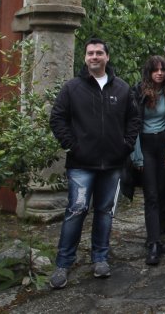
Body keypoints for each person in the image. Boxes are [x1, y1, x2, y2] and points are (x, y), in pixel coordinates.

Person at [48, 38, 142, 289]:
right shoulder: (72, 88)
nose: (94, 57)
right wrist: (72, 145)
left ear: (107, 57)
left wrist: (126, 145)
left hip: (112, 164)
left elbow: (134, 119)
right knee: (76, 212)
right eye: (90, 53)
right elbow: (57, 119)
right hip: (81, 164)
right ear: (85, 58)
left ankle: (100, 257)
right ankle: (63, 263)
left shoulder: (122, 88)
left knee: (104, 213)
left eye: (99, 53)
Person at [130, 55, 165, 266]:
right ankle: (153, 244)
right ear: (149, 72)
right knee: (151, 194)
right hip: (145, 146)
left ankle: (157, 234)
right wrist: (137, 155)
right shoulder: (139, 93)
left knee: (162, 193)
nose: (160, 73)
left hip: (164, 145)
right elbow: (133, 125)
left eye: (163, 70)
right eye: (155, 70)